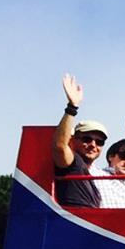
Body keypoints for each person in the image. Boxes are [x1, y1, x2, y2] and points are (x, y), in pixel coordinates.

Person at [50, 73, 105, 208]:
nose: (93, 145)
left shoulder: (91, 176)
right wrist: (72, 108)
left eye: (99, 142)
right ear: (73, 140)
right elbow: (59, 147)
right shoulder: (73, 162)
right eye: (87, 139)